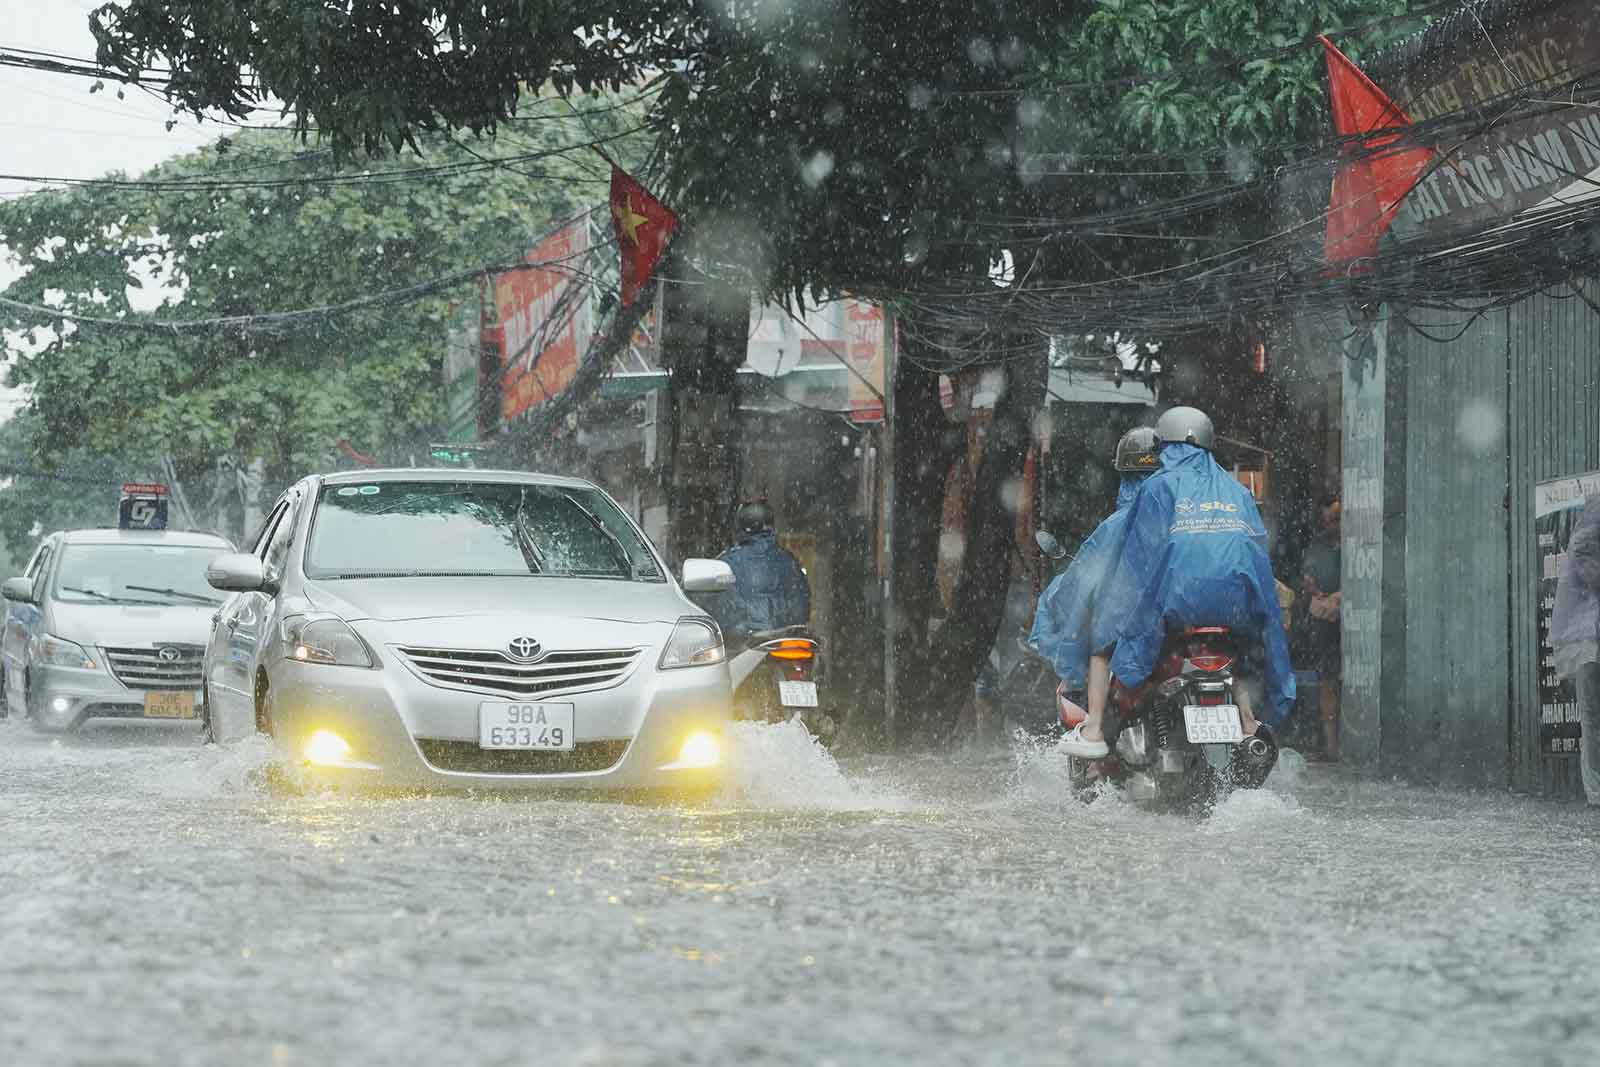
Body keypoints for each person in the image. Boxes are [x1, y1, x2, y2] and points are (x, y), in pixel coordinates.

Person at [1060, 406, 1294, 758]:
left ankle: (1094, 731)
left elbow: (1137, 562)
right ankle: (1246, 722)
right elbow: (1257, 556)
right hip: (1233, 610)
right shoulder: (1237, 492)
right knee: (1244, 647)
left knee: (1104, 638)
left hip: (1178, 608)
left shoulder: (1158, 488)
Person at [1030, 426, 1161, 703]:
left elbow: (1081, 579)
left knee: (1098, 649)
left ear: (1124, 476)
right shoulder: (1188, 521)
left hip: (1130, 631)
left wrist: (1052, 604)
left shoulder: (1117, 526)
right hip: (1185, 627)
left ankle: (1092, 730)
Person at [1550, 494, 1600, 805]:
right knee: (1592, 714)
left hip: (1589, 633)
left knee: (1593, 714)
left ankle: (1595, 787)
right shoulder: (1594, 519)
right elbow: (1583, 554)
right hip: (1587, 637)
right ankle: (1596, 791)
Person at [709, 500, 811, 645]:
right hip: (786, 643)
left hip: (745, 647)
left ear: (740, 527)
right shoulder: (789, 561)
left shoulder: (726, 562)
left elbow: (719, 608)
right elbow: (802, 603)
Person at [1300, 493, 1343, 762]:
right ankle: (1331, 747)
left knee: (1343, 682)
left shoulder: (1356, 544)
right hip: (1325, 624)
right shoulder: (1316, 548)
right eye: (1327, 520)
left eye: (1336, 519)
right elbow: (1309, 581)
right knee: (1327, 682)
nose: (1331, 525)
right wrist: (1319, 594)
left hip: (1352, 618)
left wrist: (1341, 596)